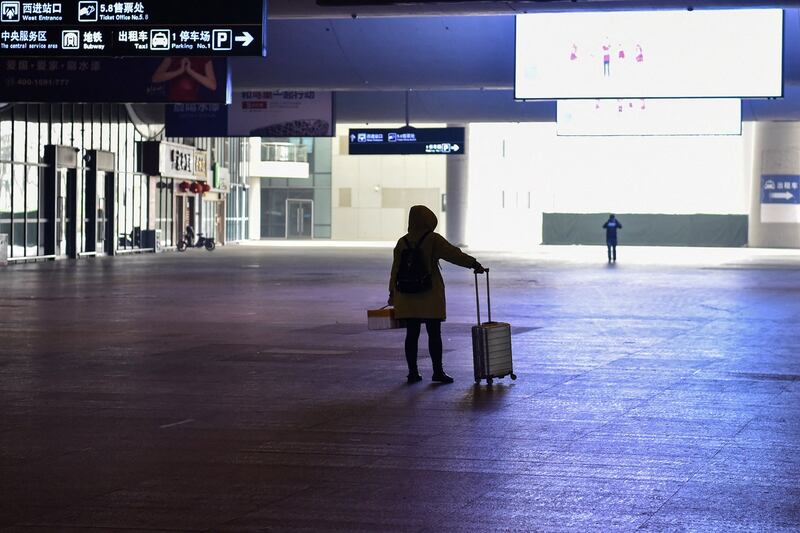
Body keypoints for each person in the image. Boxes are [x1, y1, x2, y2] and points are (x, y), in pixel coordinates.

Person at [389, 205, 485, 384]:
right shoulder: (432, 239)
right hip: (429, 295)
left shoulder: (402, 242)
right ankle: (437, 371)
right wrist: (474, 264)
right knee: (434, 333)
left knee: (412, 334)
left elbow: (395, 270)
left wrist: (392, 292)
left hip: (407, 294)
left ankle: (412, 372)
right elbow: (454, 255)